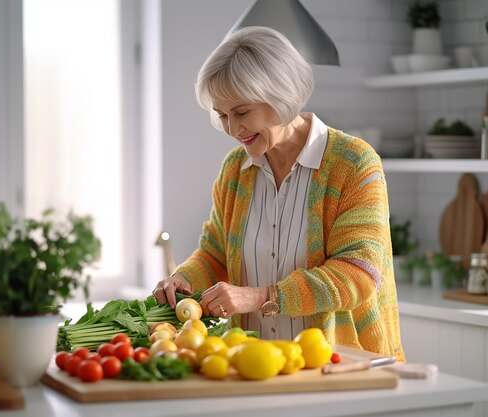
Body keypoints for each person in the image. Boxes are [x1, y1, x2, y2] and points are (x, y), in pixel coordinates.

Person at [152, 26, 404, 361]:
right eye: (222, 115)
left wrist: (260, 297)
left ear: (280, 95)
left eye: (241, 112)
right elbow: (215, 255)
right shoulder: (235, 172)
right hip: (254, 366)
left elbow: (358, 274)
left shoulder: (353, 164)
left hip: (342, 366)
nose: (231, 129)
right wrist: (183, 279)